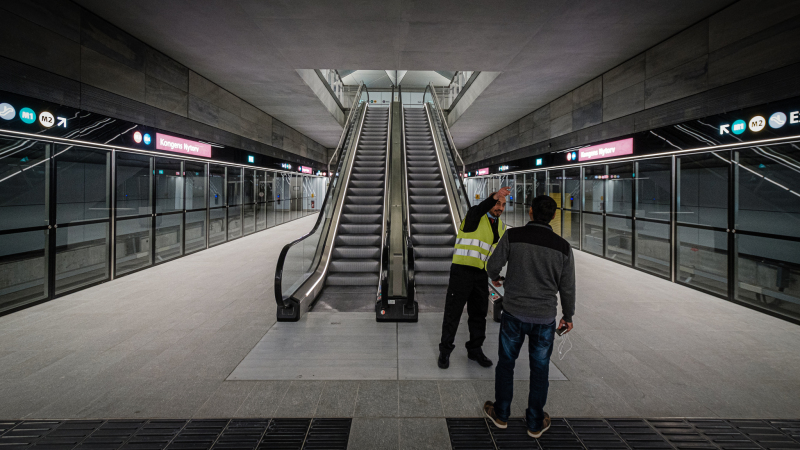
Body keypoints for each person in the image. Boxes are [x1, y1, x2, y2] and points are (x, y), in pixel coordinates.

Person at [482, 195, 576, 439]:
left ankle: (501, 414)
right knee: (540, 367)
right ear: (553, 216)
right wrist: (568, 315)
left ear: (530, 212)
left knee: (506, 363)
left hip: (513, 313)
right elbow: (567, 287)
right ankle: (535, 422)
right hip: (544, 318)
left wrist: (496, 277)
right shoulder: (563, 247)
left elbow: (492, 265)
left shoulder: (514, 236)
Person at [438, 187, 510, 369]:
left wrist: (493, 275)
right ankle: (445, 351)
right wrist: (492, 198)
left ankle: (475, 350)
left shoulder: (501, 227)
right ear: (490, 201)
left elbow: (495, 255)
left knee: (479, 315)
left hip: (481, 276)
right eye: (496, 203)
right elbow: (478, 210)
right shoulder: (474, 218)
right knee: (453, 314)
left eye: (502, 204)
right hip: (462, 272)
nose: (499, 207)